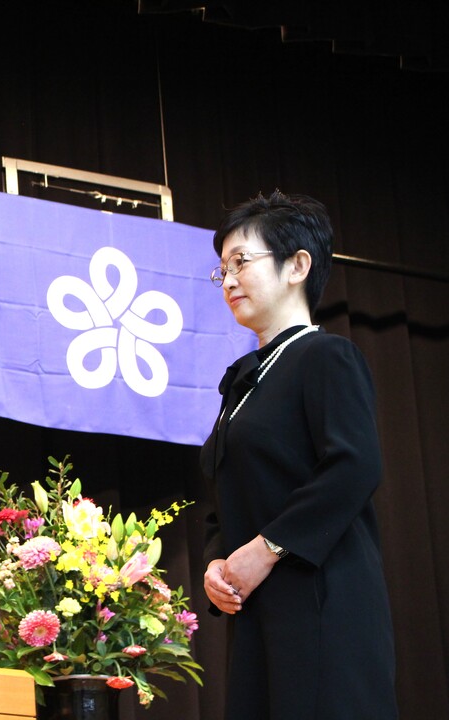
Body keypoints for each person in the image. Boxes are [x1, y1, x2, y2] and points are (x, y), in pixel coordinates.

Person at [200, 191, 397, 719]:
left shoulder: (326, 355)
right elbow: (223, 497)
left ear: (297, 266)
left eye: (241, 262)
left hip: (322, 604)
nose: (229, 280)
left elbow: (355, 466)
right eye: (223, 270)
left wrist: (267, 548)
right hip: (259, 613)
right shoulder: (244, 383)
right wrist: (217, 563)